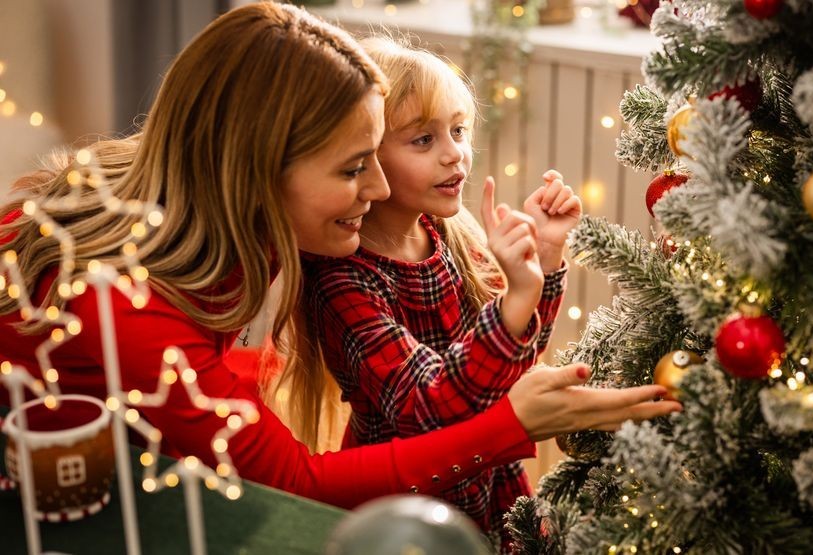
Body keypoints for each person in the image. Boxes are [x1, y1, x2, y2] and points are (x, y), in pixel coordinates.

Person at [0, 3, 681, 510]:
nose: (381, 189)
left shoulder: (220, 216)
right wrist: (512, 425)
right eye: (356, 167)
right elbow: (298, 483)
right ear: (259, 169)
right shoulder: (130, 302)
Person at [280, 36, 583, 544]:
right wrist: (515, 300)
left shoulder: (447, 233)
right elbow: (429, 405)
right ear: (366, 156)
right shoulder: (341, 280)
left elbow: (511, 363)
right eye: (423, 140)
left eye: (459, 131)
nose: (455, 154)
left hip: (492, 480)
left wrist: (546, 261)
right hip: (409, 505)